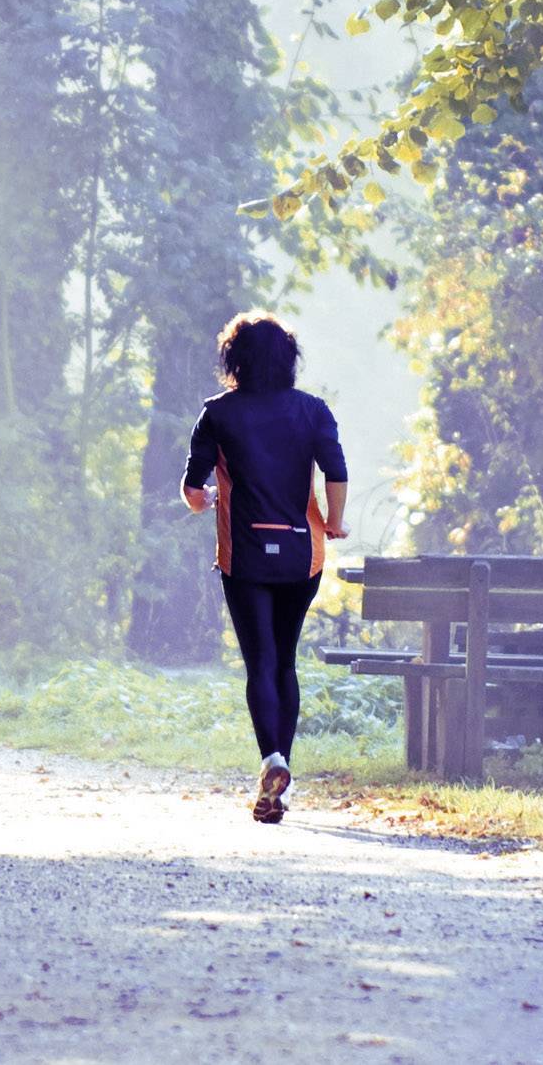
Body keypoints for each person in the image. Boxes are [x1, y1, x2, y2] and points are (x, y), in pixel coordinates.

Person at [182, 311, 348, 824]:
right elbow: (335, 469)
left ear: (234, 359)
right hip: (303, 554)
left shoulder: (217, 414)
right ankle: (281, 778)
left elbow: (192, 488)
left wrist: (205, 499)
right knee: (285, 662)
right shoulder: (313, 410)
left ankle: (272, 762)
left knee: (260, 662)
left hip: (244, 554)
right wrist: (335, 523)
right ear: (288, 361)